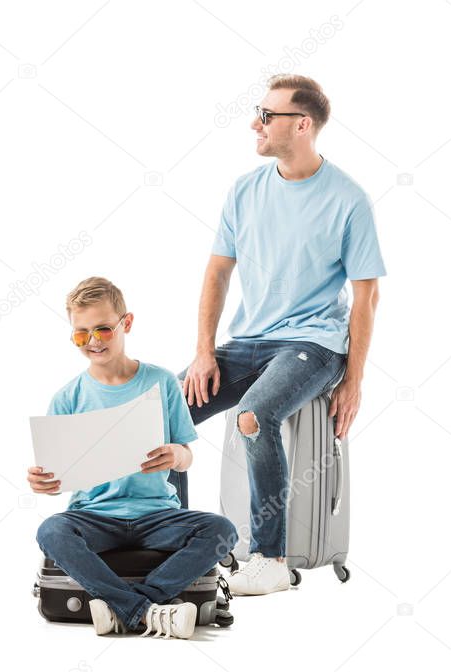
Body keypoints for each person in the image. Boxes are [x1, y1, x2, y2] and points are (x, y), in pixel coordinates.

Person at [180, 75, 385, 595]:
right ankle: (172, 543)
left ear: (302, 124)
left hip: (313, 345)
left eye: (267, 115)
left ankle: (270, 559)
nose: (256, 122)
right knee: (161, 412)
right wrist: (204, 352)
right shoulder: (245, 190)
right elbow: (217, 273)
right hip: (249, 341)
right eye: (259, 111)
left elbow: (366, 297)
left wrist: (354, 380)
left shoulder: (348, 199)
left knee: (253, 416)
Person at [30, 277, 237, 638]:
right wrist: (43, 483)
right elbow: (57, 475)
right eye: (81, 335)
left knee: (222, 530)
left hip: (157, 515)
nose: (93, 341)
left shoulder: (162, 382)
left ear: (126, 323)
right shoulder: (68, 398)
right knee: (51, 531)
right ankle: (148, 612)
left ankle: (126, 609)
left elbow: (188, 456)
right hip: (94, 517)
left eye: (103, 330)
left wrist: (176, 455)